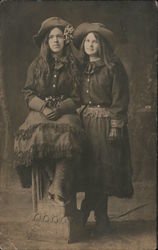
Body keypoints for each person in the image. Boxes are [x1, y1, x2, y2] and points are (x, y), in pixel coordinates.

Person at [14, 17, 86, 206]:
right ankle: (52, 179)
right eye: (52, 37)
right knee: (37, 133)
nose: (56, 40)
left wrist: (61, 108)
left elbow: (78, 97)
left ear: (65, 40)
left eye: (60, 36)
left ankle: (58, 184)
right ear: (46, 41)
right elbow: (28, 93)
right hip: (41, 110)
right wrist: (43, 107)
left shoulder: (74, 66)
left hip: (65, 111)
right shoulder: (36, 65)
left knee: (69, 133)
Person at [73, 22, 133, 233]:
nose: (90, 44)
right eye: (87, 41)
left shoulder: (113, 67)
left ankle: (88, 213)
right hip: (85, 124)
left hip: (106, 123)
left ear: (102, 44)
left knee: (103, 171)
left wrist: (116, 125)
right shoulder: (79, 68)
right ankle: (100, 217)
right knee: (90, 169)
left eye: (94, 41)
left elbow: (120, 98)